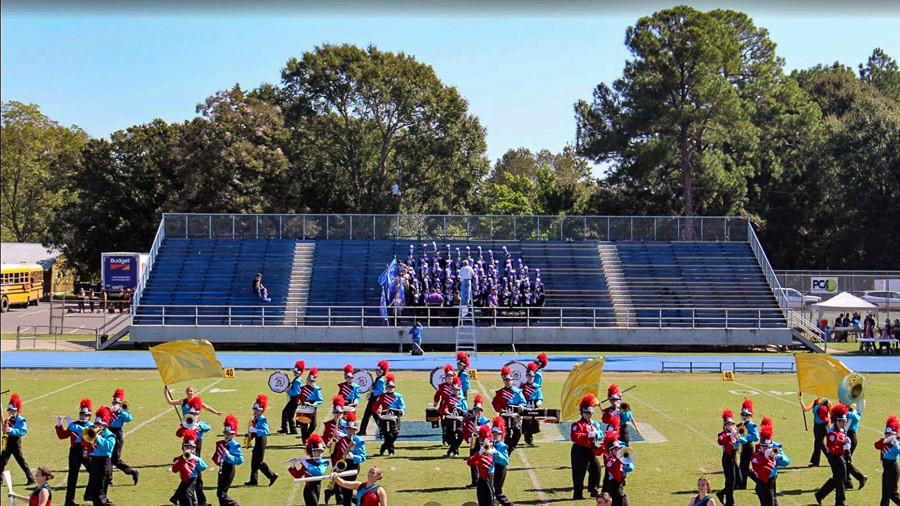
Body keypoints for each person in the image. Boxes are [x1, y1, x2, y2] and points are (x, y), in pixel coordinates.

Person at [55, 398, 94, 506]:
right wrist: (59, 424)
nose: (83, 417)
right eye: (82, 414)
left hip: (86, 451)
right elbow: (62, 436)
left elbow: (85, 434)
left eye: (86, 415)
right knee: (72, 476)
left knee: (94, 472)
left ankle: (89, 494)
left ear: (89, 416)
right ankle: (69, 501)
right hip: (74, 452)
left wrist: (71, 425)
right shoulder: (74, 424)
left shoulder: (91, 426)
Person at [173, 397, 211, 506]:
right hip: (187, 447)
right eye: (192, 413)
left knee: (195, 473)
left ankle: (189, 498)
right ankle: (197, 500)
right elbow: (178, 434)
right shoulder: (186, 423)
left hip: (197, 447)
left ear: (199, 414)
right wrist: (184, 426)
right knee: (190, 473)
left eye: (196, 414)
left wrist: (197, 425)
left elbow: (208, 427)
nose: (193, 416)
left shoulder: (200, 424)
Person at [326, 412, 367, 506]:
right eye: (348, 429)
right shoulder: (343, 439)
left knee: (348, 489)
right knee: (344, 489)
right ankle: (359, 501)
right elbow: (339, 454)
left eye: (352, 429)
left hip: (353, 466)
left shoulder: (358, 441)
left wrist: (354, 457)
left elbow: (363, 457)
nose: (350, 431)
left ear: (355, 430)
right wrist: (336, 465)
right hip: (343, 465)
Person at [814, 403, 851, 506]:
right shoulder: (832, 434)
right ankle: (840, 502)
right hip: (835, 457)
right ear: (835, 421)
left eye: (844, 421)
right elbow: (832, 448)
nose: (843, 423)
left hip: (841, 456)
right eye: (841, 421)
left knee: (838, 479)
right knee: (841, 479)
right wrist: (843, 444)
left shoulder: (842, 430)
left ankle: (820, 495)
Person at [571, 394, 602, 500]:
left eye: (590, 413)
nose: (589, 415)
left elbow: (600, 434)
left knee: (596, 469)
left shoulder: (594, 424)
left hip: (591, 450)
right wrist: (588, 435)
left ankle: (594, 490)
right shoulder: (577, 425)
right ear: (582, 412)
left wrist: (597, 434)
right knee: (579, 472)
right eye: (586, 413)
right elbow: (575, 437)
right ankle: (577, 494)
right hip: (580, 450)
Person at [750, 425, 790, 506]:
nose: (766, 449)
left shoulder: (773, 453)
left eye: (768, 447)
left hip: (772, 482)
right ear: (760, 447)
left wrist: (780, 457)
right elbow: (760, 469)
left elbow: (787, 462)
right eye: (764, 447)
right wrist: (766, 458)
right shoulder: (756, 457)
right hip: (763, 485)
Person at [1, 393, 35, 486]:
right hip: (7, 442)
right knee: (2, 460)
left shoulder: (20, 420)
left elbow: (23, 431)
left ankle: (31, 478)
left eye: (12, 411)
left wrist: (12, 430)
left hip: (15, 443)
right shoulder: (7, 420)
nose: (10, 412)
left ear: (16, 411)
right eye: (9, 411)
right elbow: (4, 429)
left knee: (21, 461)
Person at [85, 406, 117, 506]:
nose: (96, 426)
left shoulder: (110, 435)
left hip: (103, 464)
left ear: (104, 425)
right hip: (95, 463)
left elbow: (107, 448)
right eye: (95, 423)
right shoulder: (94, 433)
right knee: (95, 493)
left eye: (98, 424)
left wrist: (97, 436)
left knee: (100, 494)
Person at [244, 395, 278, 487]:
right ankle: (253, 480)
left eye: (257, 409)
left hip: (261, 439)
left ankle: (272, 475)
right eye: (254, 409)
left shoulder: (262, 419)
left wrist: (255, 430)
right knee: (254, 461)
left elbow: (266, 431)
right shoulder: (255, 418)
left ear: (261, 410)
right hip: (258, 440)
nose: (255, 411)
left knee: (259, 462)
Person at [491, 366, 526, 454]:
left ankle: (511, 447)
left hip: (515, 415)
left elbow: (523, 402)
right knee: (505, 433)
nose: (508, 382)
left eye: (509, 380)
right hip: (504, 415)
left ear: (512, 381)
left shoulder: (517, 391)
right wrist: (500, 409)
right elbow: (494, 403)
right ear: (504, 381)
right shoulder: (500, 392)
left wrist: (521, 406)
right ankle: (508, 448)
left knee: (517, 432)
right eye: (506, 381)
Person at [108, 388, 140, 485]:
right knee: (108, 457)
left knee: (116, 459)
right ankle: (108, 479)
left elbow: (129, 418)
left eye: (117, 402)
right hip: (108, 432)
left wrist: (121, 410)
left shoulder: (122, 411)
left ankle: (132, 472)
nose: (115, 404)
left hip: (117, 433)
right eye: (114, 402)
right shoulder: (109, 410)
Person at [288, 433, 329, 506]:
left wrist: (306, 464)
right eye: (318, 451)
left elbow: (319, 472)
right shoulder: (307, 462)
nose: (320, 454)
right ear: (312, 452)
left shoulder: (323, 462)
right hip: (307, 489)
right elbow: (298, 475)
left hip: (316, 487)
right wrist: (293, 465)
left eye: (321, 451)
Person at [716, 409, 745, 506]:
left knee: (738, 480)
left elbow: (742, 440)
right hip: (727, 459)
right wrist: (730, 436)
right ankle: (730, 502)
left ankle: (722, 493)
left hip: (734, 458)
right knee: (730, 481)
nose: (731, 426)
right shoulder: (722, 434)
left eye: (732, 424)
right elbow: (720, 441)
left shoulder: (734, 433)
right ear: (725, 425)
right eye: (728, 424)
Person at [213, 415, 244, 506]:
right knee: (219, 493)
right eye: (225, 433)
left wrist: (228, 455)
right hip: (222, 468)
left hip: (229, 469)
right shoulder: (222, 443)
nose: (227, 435)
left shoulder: (235, 445)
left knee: (222, 494)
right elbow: (217, 456)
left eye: (229, 433)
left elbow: (240, 460)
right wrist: (219, 457)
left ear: (233, 434)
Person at [172, 430, 208, 506]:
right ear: (183, 447)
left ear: (193, 448)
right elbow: (174, 469)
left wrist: (196, 459)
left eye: (190, 447)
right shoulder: (179, 459)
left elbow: (204, 467)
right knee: (182, 497)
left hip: (192, 479)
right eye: (186, 447)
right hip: (184, 480)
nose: (188, 449)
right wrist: (181, 460)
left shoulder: (195, 458)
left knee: (187, 495)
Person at [463, 395, 491, 489]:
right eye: (475, 410)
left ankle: (484, 480)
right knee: (473, 461)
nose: (477, 412)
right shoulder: (468, 420)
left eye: (479, 410)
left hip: (483, 444)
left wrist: (480, 428)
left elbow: (489, 430)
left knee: (483, 462)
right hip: (473, 442)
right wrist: (468, 439)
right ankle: (474, 481)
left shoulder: (485, 420)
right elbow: (464, 431)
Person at [373, 374, 405, 456]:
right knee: (388, 435)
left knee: (395, 434)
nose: (390, 388)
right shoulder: (382, 396)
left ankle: (383, 447)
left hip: (395, 417)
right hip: (385, 417)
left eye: (392, 387)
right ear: (386, 387)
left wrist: (401, 411)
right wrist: (377, 410)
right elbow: (375, 405)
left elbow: (402, 407)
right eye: (389, 387)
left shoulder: (398, 396)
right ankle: (391, 452)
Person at [601, 427, 633, 506]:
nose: (617, 451)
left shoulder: (621, 458)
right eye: (615, 449)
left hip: (620, 483)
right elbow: (614, 469)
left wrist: (626, 462)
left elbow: (630, 468)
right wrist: (620, 460)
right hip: (614, 485)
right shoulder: (609, 460)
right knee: (622, 500)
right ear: (611, 451)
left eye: (618, 449)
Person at [799, 393, 831, 467]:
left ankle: (815, 462)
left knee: (817, 444)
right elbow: (805, 409)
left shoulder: (827, 402)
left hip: (824, 425)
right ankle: (832, 459)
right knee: (820, 444)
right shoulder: (815, 402)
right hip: (816, 426)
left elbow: (831, 413)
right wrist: (801, 400)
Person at [874, 415, 900, 506]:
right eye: (886, 434)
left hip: (893, 468)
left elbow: (898, 451)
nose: (887, 436)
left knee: (893, 494)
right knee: (885, 494)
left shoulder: (897, 443)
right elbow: (876, 445)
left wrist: (895, 443)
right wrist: (885, 440)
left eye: (890, 434)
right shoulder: (884, 442)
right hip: (886, 469)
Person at [468, 425, 496, 506]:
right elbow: (470, 463)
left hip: (490, 475)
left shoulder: (494, 450)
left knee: (491, 498)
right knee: (482, 498)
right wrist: (479, 453)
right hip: (482, 477)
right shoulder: (479, 454)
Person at [439, 377, 467, 457]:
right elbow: (442, 408)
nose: (455, 391)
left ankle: (453, 449)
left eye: (457, 389)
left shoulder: (462, 399)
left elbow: (465, 410)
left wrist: (461, 411)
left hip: (459, 420)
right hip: (449, 420)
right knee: (448, 436)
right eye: (454, 389)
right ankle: (454, 450)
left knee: (461, 435)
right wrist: (445, 411)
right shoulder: (447, 398)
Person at [359, 360, 389, 436]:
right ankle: (383, 430)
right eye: (376, 370)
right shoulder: (379, 378)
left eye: (378, 371)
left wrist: (372, 390)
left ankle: (363, 431)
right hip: (374, 399)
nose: (377, 372)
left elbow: (382, 391)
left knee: (367, 415)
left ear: (382, 371)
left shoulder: (381, 380)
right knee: (374, 416)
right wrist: (367, 373)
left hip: (374, 400)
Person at [295, 367, 324, 443]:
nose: (310, 382)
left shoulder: (316, 389)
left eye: (312, 381)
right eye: (309, 380)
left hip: (312, 407)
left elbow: (320, 399)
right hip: (304, 407)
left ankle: (307, 436)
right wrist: (298, 401)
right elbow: (299, 397)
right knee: (304, 424)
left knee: (313, 425)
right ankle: (305, 441)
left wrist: (315, 404)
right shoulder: (302, 388)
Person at [737, 399, 759, 490]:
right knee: (743, 466)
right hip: (743, 446)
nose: (744, 416)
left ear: (750, 416)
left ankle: (743, 485)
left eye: (746, 415)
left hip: (749, 447)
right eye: (743, 415)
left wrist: (745, 436)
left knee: (744, 466)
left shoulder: (751, 425)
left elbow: (756, 437)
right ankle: (759, 481)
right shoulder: (740, 424)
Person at [489, 417, 512, 506]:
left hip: (500, 469)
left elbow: (505, 461)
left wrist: (495, 453)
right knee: (491, 492)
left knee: (497, 493)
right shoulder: (489, 443)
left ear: (501, 435)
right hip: (491, 471)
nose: (495, 436)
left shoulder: (502, 446)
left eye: (497, 434)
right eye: (493, 434)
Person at [281, 360, 307, 435]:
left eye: (296, 372)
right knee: (288, 414)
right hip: (294, 400)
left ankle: (288, 430)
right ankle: (288, 429)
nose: (294, 373)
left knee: (287, 414)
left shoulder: (297, 381)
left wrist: (287, 391)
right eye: (294, 372)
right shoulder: (297, 379)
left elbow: (297, 392)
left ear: (300, 372)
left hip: (294, 400)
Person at [845, 403, 868, 490]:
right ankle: (848, 482)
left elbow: (856, 417)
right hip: (844, 437)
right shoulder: (845, 413)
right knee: (844, 461)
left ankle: (861, 477)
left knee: (845, 460)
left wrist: (846, 413)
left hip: (851, 437)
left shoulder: (854, 413)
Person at [521, 362, 544, 446]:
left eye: (532, 376)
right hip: (526, 406)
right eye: (529, 376)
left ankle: (529, 436)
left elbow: (540, 398)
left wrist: (539, 402)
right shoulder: (522, 387)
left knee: (534, 422)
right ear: (526, 376)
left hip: (534, 405)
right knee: (527, 422)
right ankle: (528, 438)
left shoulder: (537, 387)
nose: (531, 378)